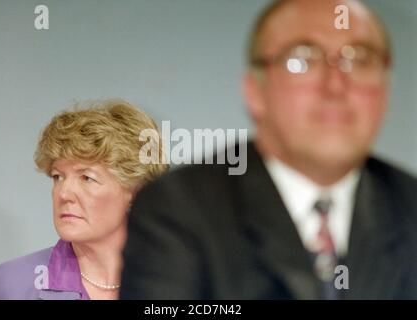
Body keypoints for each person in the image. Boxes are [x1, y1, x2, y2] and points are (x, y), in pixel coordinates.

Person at [120, 0, 417, 299]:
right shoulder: (178, 210)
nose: (336, 85)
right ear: (255, 91)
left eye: (359, 60)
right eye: (302, 60)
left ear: (385, 91)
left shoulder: (409, 208)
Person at [0, 99, 168, 300]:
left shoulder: (185, 282)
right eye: (58, 177)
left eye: (87, 178)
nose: (63, 193)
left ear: (137, 192)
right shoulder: (1, 288)